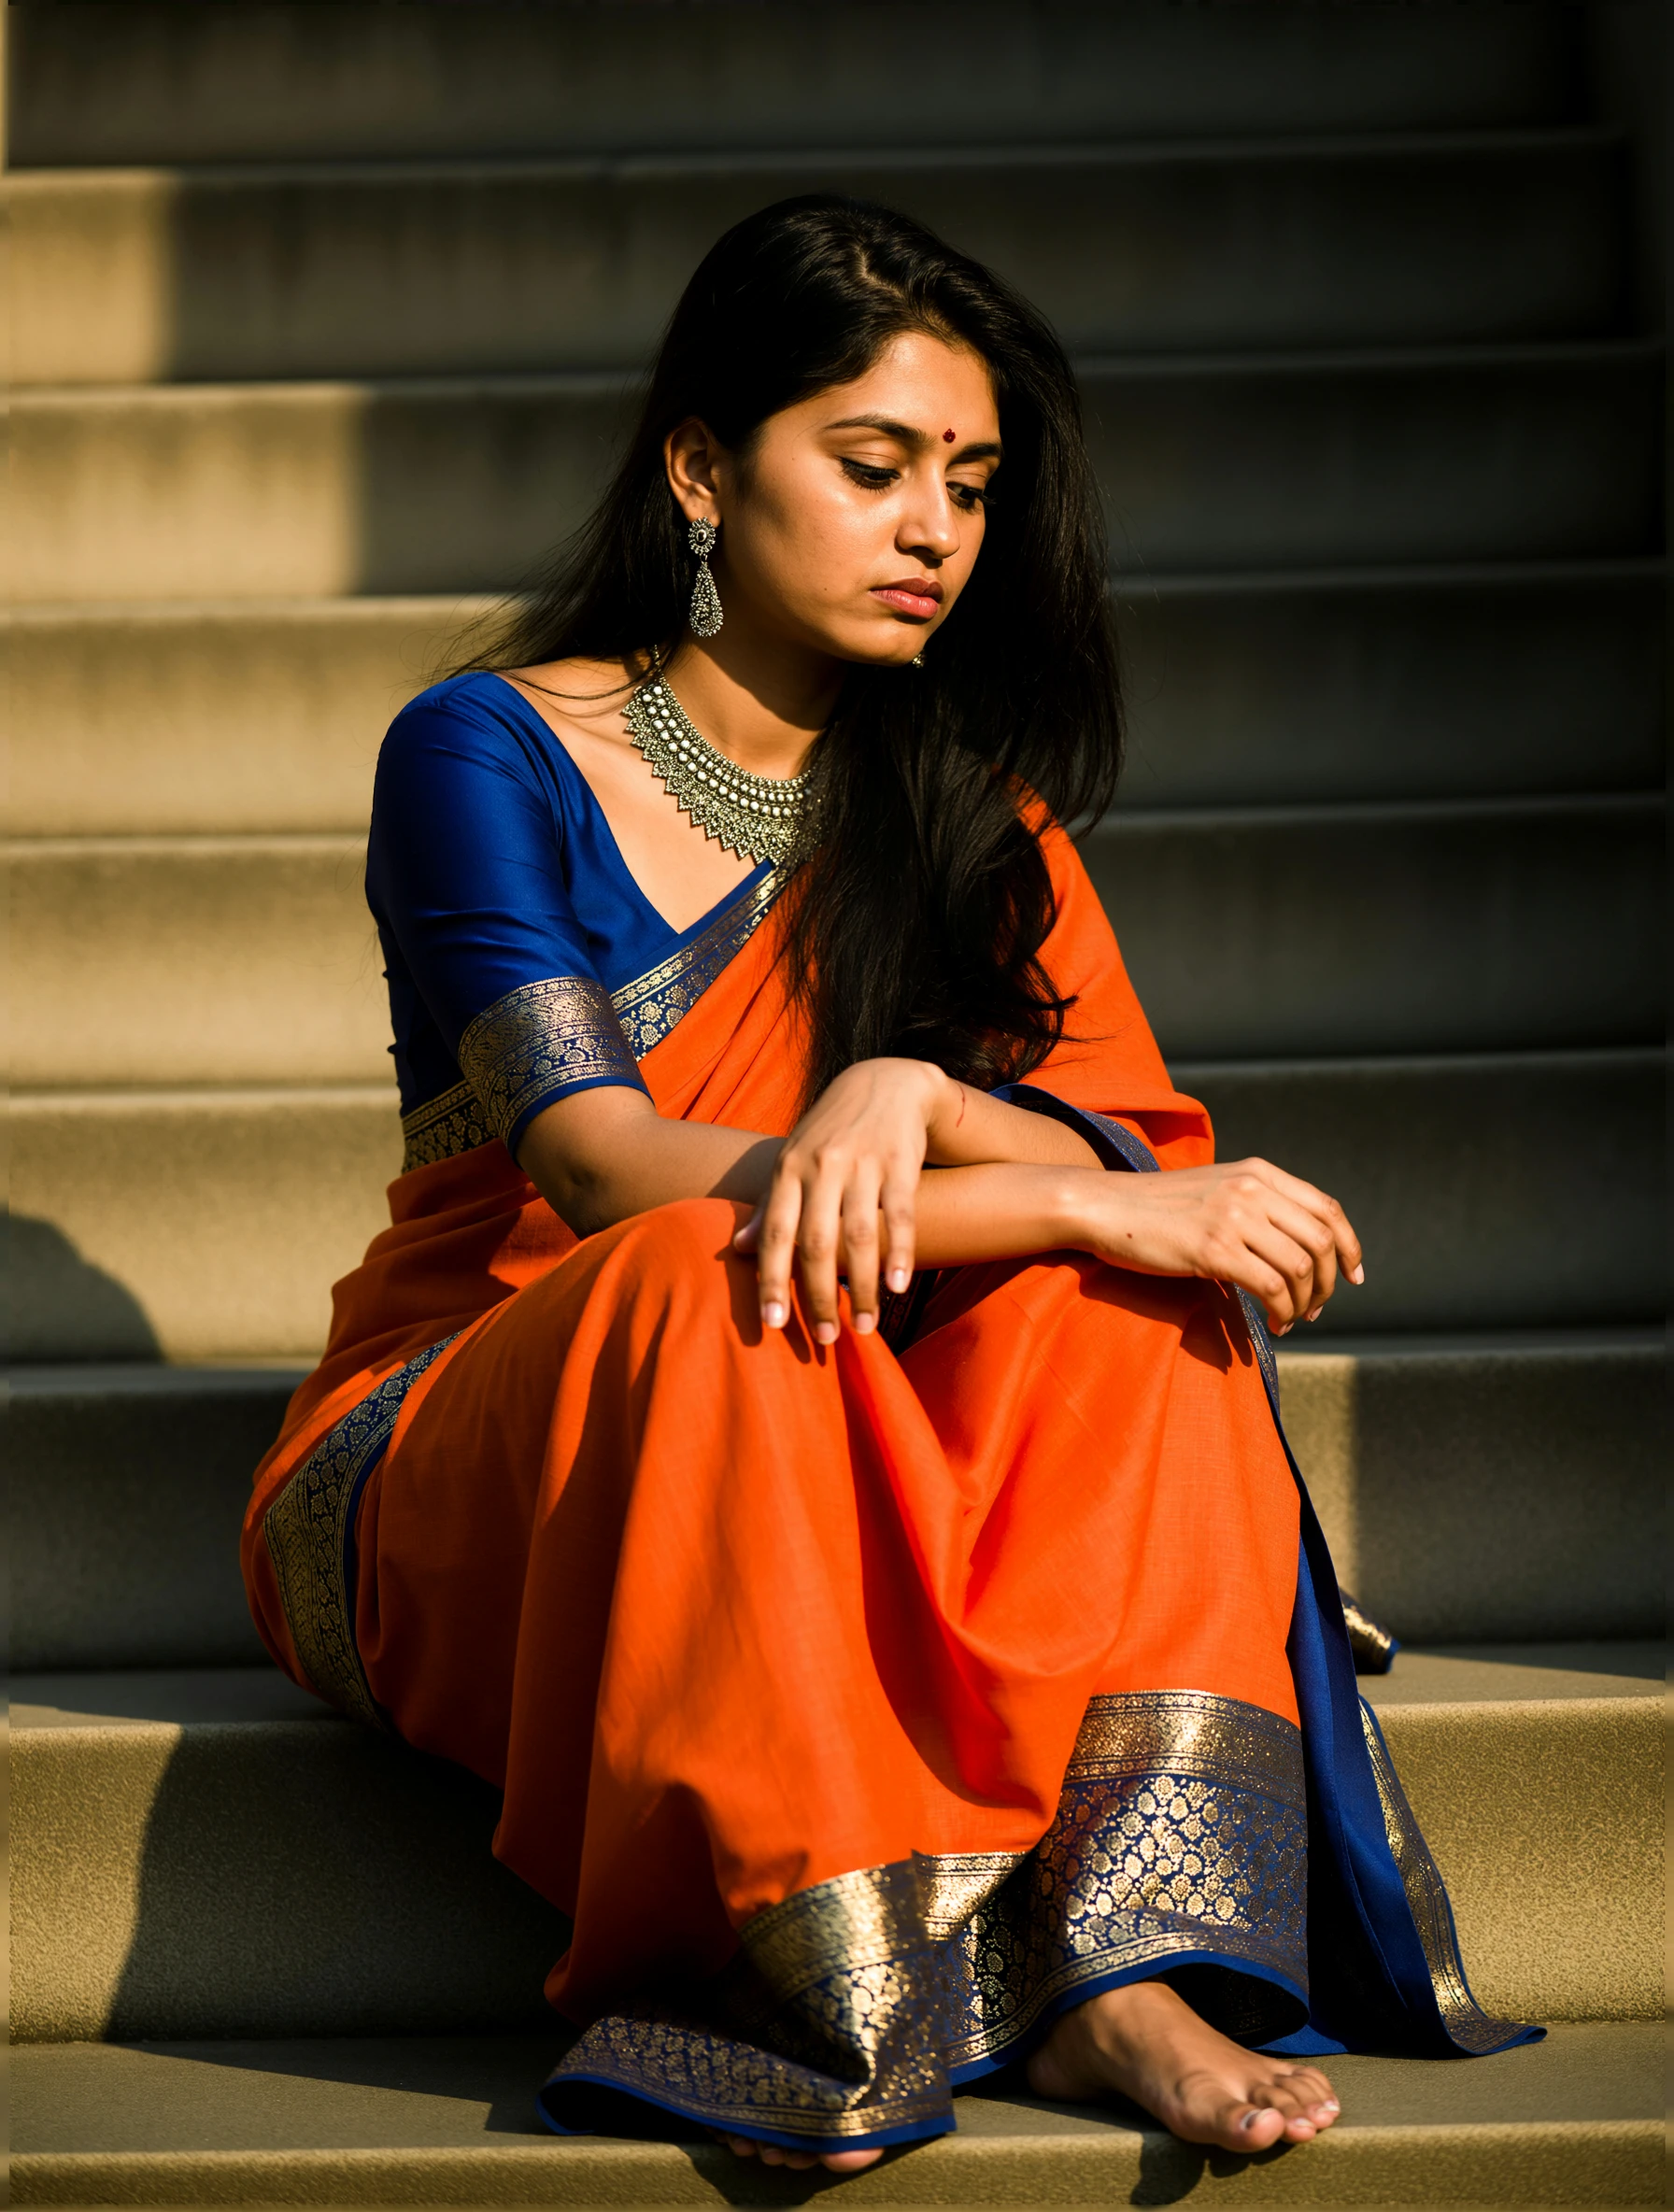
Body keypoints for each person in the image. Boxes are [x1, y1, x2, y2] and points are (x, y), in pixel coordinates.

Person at [242, 195, 1533, 2176]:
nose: (933, 527)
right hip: (490, 1437)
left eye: (969, 482)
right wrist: (1063, 1194)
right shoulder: (488, 751)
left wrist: (908, 1086)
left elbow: (1132, 1151)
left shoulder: (970, 820)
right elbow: (601, 1167)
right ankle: (813, 1967)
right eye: (871, 466)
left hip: (841, 1415)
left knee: (1130, 1308)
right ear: (700, 468)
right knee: (709, 1271)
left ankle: (1115, 1965)